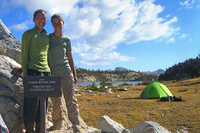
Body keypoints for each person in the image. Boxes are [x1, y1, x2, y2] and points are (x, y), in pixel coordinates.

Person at [47, 14, 81, 132]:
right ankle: (57, 125)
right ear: (52, 24)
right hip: (54, 74)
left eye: (59, 22)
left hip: (66, 72)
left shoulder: (67, 40)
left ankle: (76, 124)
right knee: (56, 101)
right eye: (54, 23)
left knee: (71, 99)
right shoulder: (48, 38)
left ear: (63, 23)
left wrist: (74, 74)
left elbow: (70, 58)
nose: (57, 25)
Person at [21, 9, 50, 133]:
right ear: (33, 19)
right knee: (31, 103)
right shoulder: (28, 34)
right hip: (33, 71)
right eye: (39, 17)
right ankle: (29, 129)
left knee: (44, 104)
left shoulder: (47, 36)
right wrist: (25, 75)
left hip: (47, 72)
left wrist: (51, 73)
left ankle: (40, 129)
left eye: (43, 18)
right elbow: (24, 55)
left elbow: (48, 56)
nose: (41, 20)